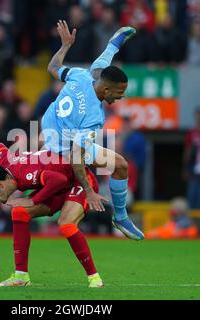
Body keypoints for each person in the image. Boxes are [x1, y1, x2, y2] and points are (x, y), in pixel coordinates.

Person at [41, 20, 144, 240]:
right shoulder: (94, 117)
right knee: (121, 165)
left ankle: (113, 45)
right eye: (119, 92)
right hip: (62, 149)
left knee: (97, 68)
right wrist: (88, 190)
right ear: (106, 89)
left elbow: (52, 68)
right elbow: (77, 156)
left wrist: (65, 46)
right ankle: (120, 217)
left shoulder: (80, 75)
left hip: (49, 128)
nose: (121, 97)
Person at [0, 142, 104, 288]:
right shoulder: (3, 163)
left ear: (1, 185)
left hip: (78, 181)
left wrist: (33, 201)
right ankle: (21, 276)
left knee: (66, 224)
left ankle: (95, 279)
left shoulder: (26, 175)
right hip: (56, 185)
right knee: (19, 212)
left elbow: (60, 180)